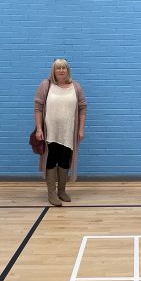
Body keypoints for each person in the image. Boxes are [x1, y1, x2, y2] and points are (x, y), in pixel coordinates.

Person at [34, 59, 87, 206]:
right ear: (54, 71)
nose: (61, 70)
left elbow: (83, 108)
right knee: (51, 160)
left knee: (64, 161)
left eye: (64, 68)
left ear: (68, 70)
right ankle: (51, 193)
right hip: (50, 132)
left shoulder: (76, 87)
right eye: (58, 68)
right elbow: (38, 108)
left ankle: (62, 191)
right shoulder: (46, 85)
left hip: (68, 132)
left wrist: (81, 129)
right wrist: (39, 128)